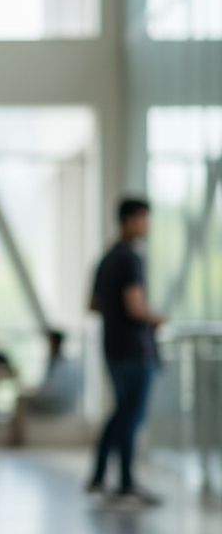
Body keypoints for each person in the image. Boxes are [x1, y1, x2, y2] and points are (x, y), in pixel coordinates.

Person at [88, 196, 164, 503]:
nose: (147, 226)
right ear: (131, 220)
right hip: (135, 349)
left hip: (113, 347)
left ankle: (98, 476)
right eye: (144, 219)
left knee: (121, 412)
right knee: (132, 416)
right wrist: (154, 316)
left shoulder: (106, 259)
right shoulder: (131, 259)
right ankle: (127, 483)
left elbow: (92, 304)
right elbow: (135, 306)